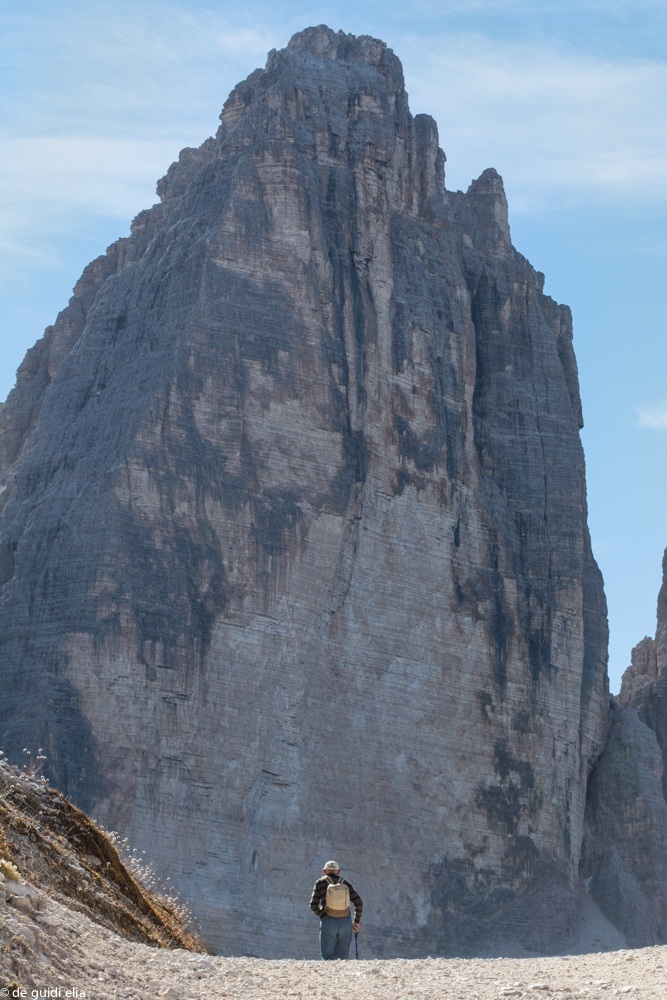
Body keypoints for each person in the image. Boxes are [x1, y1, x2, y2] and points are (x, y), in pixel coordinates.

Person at [309, 859, 363, 960]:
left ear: (324, 871)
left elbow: (313, 904)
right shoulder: (345, 883)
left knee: (327, 957)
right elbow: (359, 902)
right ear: (338, 871)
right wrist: (356, 921)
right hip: (345, 922)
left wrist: (323, 915)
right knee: (343, 959)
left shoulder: (320, 883)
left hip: (328, 922)